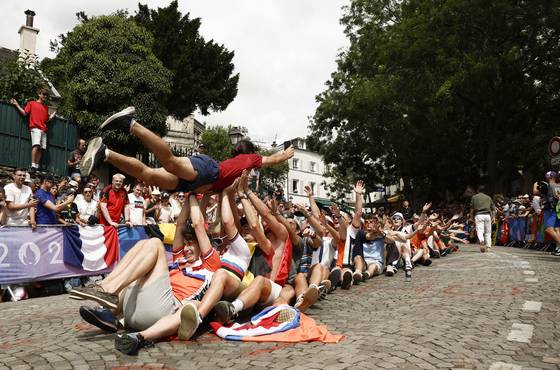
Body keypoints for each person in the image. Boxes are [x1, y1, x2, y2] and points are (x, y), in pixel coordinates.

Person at [72, 195, 221, 355]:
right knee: (143, 245)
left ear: (203, 245)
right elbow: (180, 225)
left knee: (156, 243)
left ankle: (110, 291)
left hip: (163, 311)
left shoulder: (210, 263)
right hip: (133, 311)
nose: (186, 248)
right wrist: (187, 197)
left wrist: (192, 193)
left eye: (192, 244)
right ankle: (106, 294)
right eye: (185, 244)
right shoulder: (181, 259)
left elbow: (198, 224)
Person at [79, 107, 294, 193]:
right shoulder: (249, 159)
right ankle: (130, 123)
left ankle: (105, 153)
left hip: (196, 184)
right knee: (170, 162)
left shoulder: (235, 180)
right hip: (207, 170)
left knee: (149, 175)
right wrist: (285, 154)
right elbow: (271, 160)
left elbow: (216, 193)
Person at [10, 88, 56, 170]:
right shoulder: (31, 103)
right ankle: (33, 165)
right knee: (36, 146)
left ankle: (36, 166)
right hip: (35, 128)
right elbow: (24, 113)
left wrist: (51, 117)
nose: (45, 96)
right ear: (39, 94)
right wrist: (16, 104)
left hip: (44, 130)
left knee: (41, 149)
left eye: (46, 95)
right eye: (43, 94)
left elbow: (46, 120)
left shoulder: (46, 107)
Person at [534, 171, 560, 256]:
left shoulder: (548, 186)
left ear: (549, 177)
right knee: (556, 229)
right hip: (557, 209)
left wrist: (535, 185)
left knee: (548, 229)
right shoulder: (558, 185)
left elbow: (535, 192)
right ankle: (558, 248)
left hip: (550, 209)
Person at [469, 185, 495, 253]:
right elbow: (493, 209)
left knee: (480, 230)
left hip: (478, 215)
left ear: (478, 190)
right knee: (488, 232)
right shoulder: (488, 197)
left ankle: (481, 240)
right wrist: (493, 218)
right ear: (484, 191)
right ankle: (488, 247)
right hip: (487, 215)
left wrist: (471, 218)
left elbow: (472, 209)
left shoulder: (474, 197)